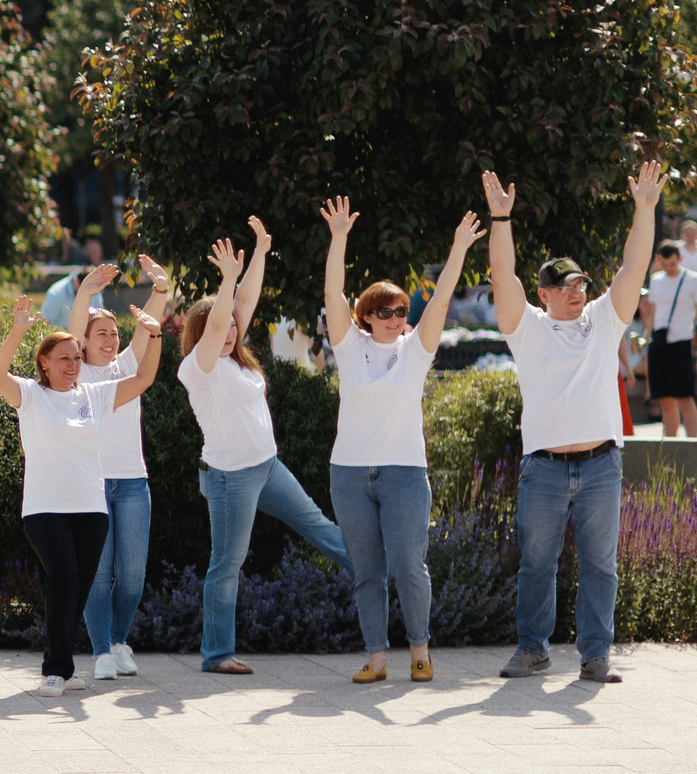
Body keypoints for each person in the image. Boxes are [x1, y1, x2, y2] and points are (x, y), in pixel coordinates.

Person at [486, 161, 662, 684]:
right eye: (564, 286)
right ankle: (533, 649)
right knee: (536, 564)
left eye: (581, 283)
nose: (576, 291)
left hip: (601, 465)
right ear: (544, 293)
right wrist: (501, 221)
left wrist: (645, 211)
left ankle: (595, 656)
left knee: (601, 567)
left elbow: (633, 268)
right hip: (543, 468)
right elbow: (502, 275)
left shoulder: (605, 321)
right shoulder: (526, 328)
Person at [322, 198, 485, 685]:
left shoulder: (416, 351)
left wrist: (458, 249)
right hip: (349, 473)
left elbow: (440, 299)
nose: (397, 316)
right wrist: (338, 239)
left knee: (410, 566)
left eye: (400, 309)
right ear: (367, 316)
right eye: (386, 311)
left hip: (404, 473)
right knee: (367, 571)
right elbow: (333, 292)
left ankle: (420, 648)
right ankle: (375, 658)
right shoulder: (349, 347)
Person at [179, 221, 353, 675]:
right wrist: (226, 279)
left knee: (319, 527)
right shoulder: (198, 369)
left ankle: (387, 579)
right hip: (229, 478)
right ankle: (216, 655)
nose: (232, 331)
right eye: (222, 329)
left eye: (236, 327)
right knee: (228, 564)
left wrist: (259, 251)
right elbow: (220, 317)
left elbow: (240, 308)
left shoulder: (237, 362)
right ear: (200, 335)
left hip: (267, 467)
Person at [0, 293, 165, 696]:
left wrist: (154, 338)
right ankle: (55, 669)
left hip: (91, 509)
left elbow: (142, 380)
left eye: (76, 359)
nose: (72, 366)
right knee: (63, 578)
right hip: (45, 508)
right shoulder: (31, 396)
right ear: (44, 363)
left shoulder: (93, 396)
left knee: (78, 588)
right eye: (64, 359)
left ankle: (64, 669)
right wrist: (18, 331)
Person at [67, 256, 176, 680]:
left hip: (133, 484)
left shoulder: (128, 366)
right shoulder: (73, 374)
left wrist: (161, 290)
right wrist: (85, 293)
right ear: (85, 342)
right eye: (102, 334)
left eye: (114, 333)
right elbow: (72, 329)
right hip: (92, 484)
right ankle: (100, 652)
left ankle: (117, 641)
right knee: (96, 575)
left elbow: (150, 325)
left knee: (131, 575)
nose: (110, 340)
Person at [641, 239, 696, 437]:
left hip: (681, 341)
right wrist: (646, 336)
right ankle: (670, 446)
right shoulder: (656, 280)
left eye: (672, 264)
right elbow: (654, 312)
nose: (669, 268)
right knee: (664, 398)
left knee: (684, 397)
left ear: (680, 258)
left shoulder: (692, 279)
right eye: (664, 264)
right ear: (658, 261)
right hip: (659, 340)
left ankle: (692, 446)